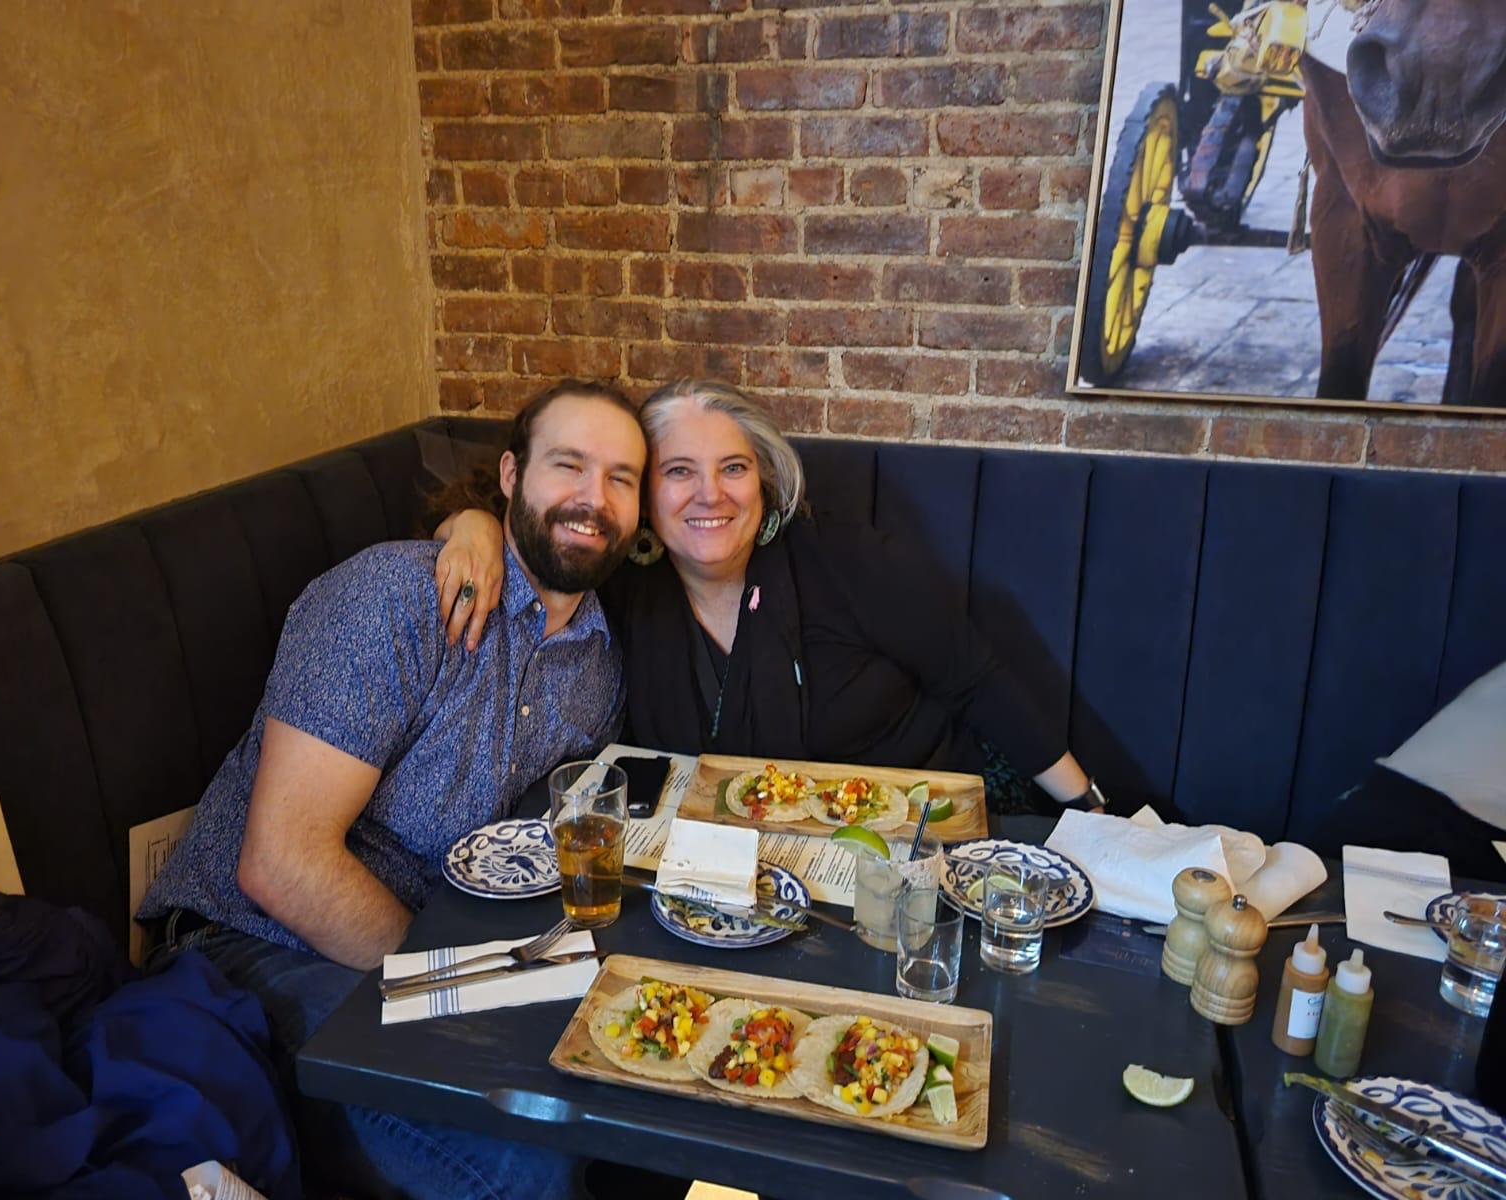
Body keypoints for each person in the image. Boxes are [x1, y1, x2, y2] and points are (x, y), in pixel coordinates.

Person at [138, 379, 646, 1200]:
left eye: (621, 477)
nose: (594, 498)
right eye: (569, 465)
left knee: (622, 1080)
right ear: (511, 475)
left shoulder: (598, 662)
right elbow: (280, 864)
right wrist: (466, 988)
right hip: (250, 948)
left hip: (431, 950)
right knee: (522, 1165)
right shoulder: (394, 600)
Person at [435, 379, 1105, 814]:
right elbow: (535, 536)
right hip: (740, 866)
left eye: (733, 468)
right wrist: (471, 526)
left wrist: (1091, 815)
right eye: (678, 472)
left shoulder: (845, 559)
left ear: (764, 481)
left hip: (920, 828)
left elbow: (979, 678)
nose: (711, 495)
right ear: (641, 499)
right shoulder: (624, 583)